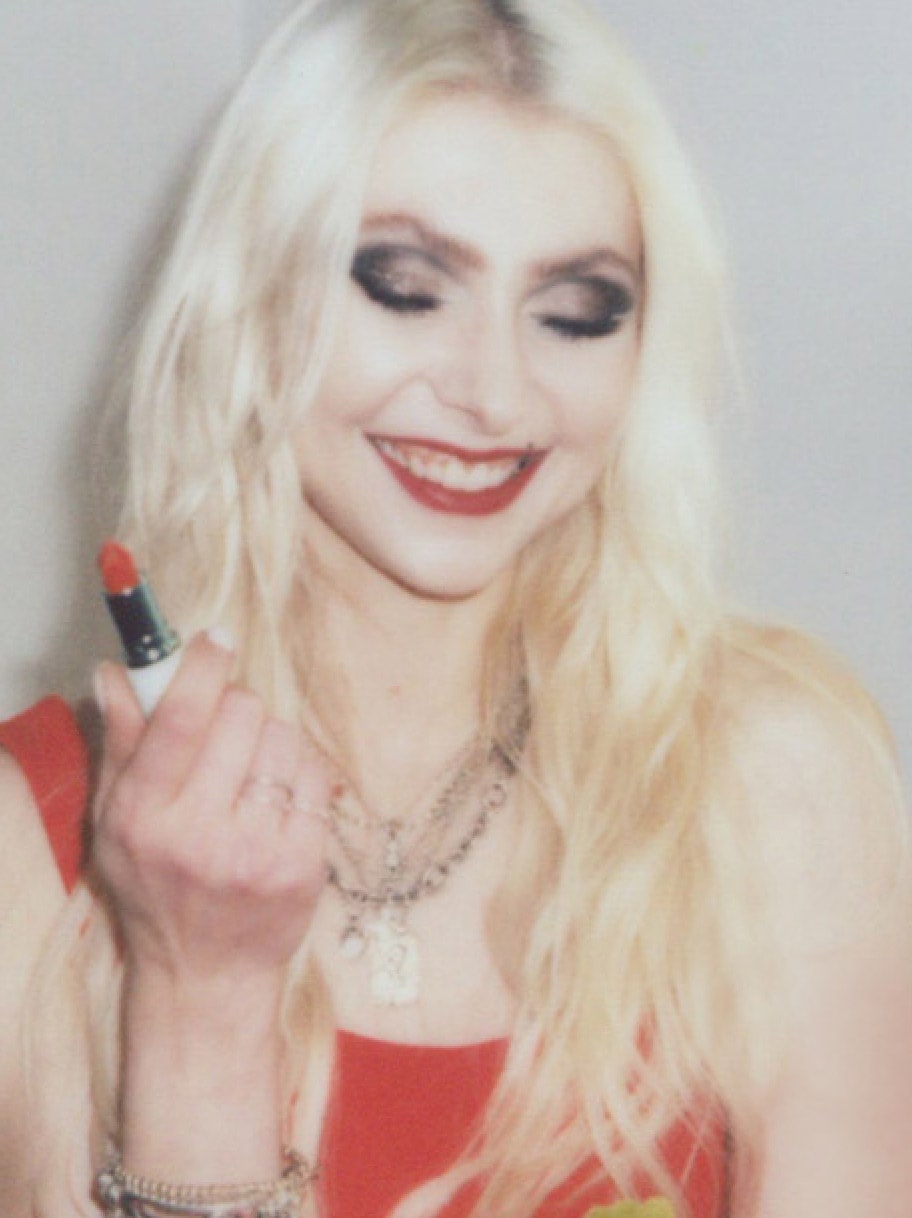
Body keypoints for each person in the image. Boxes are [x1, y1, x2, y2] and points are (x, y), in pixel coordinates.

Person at [1, 0, 910, 1215]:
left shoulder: (778, 779)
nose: (495, 393)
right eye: (406, 288)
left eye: (575, 313)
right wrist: (200, 998)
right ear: (247, 302)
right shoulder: (29, 838)